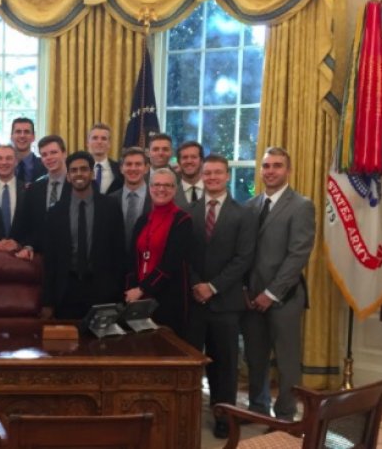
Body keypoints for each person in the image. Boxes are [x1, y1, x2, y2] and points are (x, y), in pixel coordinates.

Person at [241, 147, 315, 421]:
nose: (270, 171)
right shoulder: (249, 206)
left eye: (277, 166)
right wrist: (246, 291)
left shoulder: (301, 205)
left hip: (285, 297)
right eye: (266, 166)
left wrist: (271, 294)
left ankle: (285, 414)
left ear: (288, 170)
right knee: (255, 357)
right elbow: (243, 255)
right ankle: (257, 409)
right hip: (251, 298)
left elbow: (298, 255)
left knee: (286, 361)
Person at [186, 154, 256, 439]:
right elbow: (184, 257)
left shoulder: (243, 214)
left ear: (227, 176)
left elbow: (244, 258)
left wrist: (212, 287)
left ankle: (224, 415)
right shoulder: (189, 213)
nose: (212, 177)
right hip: (194, 301)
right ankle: (187, 413)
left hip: (225, 303)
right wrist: (196, 285)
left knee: (225, 366)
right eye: (208, 173)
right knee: (191, 362)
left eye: (218, 173)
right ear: (202, 176)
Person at [40, 151, 125, 320]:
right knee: (68, 345)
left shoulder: (110, 207)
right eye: (74, 170)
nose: (79, 174)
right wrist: (48, 301)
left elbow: (119, 253)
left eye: (84, 169)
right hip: (67, 290)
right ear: (69, 176)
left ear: (92, 174)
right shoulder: (56, 211)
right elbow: (50, 260)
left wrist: (118, 294)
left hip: (102, 290)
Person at [126, 168, 193, 338]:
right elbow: (133, 258)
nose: (161, 189)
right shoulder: (142, 220)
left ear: (175, 190)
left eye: (167, 185)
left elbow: (171, 263)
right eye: (156, 185)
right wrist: (132, 290)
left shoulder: (183, 220)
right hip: (140, 300)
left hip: (168, 298)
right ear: (150, 188)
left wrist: (142, 289)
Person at [13, 135, 69, 258]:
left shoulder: (77, 186)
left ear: (64, 153)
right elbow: (27, 225)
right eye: (44, 155)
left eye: (53, 152)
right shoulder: (34, 189)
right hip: (42, 256)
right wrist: (28, 246)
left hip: (73, 256)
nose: (49, 158)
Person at [108, 147, 151, 252]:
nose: (133, 168)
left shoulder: (156, 199)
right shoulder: (109, 200)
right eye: (128, 164)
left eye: (138, 164)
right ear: (121, 168)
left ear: (146, 168)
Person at [86, 122, 123, 194]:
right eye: (95, 138)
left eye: (103, 138)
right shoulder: (79, 168)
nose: (99, 142)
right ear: (88, 143)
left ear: (109, 144)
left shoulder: (119, 169)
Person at [11, 117, 47, 184]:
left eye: (26, 132)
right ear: (12, 136)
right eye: (18, 132)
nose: (22, 136)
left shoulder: (45, 165)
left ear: (33, 137)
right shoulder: (1, 167)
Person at [173, 141, 204, 210]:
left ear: (201, 161)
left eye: (193, 157)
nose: (189, 161)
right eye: (185, 157)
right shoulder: (170, 192)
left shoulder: (214, 190)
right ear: (178, 162)